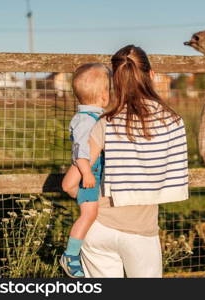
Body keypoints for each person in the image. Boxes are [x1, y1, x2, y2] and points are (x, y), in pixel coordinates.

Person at [81, 45, 189, 277]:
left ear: (115, 81)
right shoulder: (171, 121)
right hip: (141, 232)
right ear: (151, 75)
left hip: (97, 226)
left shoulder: (106, 122)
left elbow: (75, 176)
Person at [60, 63, 111, 278]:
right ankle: (71, 255)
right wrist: (87, 173)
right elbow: (82, 151)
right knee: (89, 214)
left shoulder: (85, 117)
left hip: (85, 169)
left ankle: (85, 200)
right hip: (88, 169)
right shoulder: (88, 121)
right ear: (103, 96)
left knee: (75, 192)